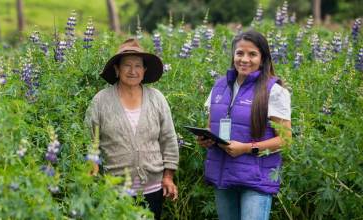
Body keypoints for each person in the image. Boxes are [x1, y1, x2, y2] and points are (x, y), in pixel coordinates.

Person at [197, 30, 291, 220]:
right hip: (223, 176)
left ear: (263, 59)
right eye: (240, 53)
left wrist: (247, 148)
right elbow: (211, 126)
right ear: (233, 56)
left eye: (252, 54)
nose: (244, 59)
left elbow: (286, 140)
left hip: (255, 179)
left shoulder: (274, 91)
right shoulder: (219, 86)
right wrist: (206, 138)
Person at [85, 38, 179, 220]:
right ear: (117, 69)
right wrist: (93, 165)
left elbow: (168, 139)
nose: (133, 71)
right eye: (127, 65)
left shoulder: (157, 98)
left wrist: (168, 176)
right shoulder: (101, 100)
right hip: (115, 188)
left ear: (144, 70)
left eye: (138, 65)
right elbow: (89, 138)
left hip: (152, 189)